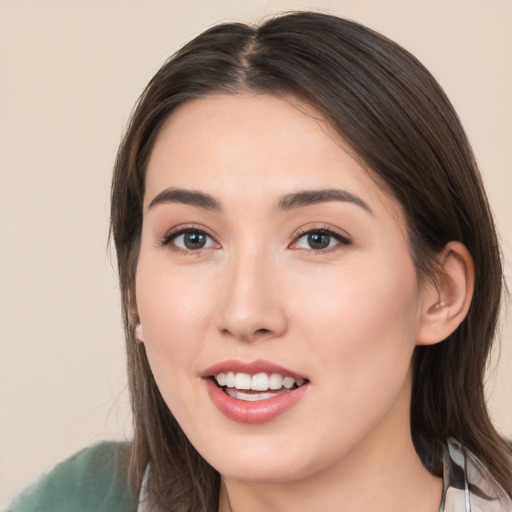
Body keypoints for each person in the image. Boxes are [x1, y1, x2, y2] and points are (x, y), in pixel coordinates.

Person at [6, 11, 511, 512]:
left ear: (441, 294)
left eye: (317, 239)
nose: (244, 314)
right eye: (192, 238)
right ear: (135, 293)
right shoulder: (76, 500)